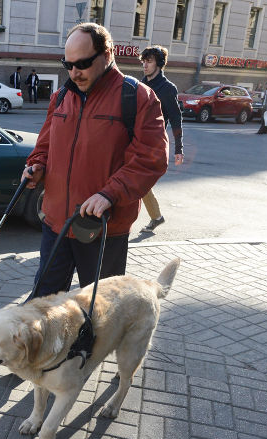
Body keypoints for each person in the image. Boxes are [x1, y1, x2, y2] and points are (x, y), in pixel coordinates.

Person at [21, 22, 168, 297]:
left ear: (108, 53)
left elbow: (152, 158)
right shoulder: (61, 96)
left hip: (104, 229)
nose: (75, 73)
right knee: (43, 305)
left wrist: (110, 193)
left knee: (100, 311)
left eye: (84, 64)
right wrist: (37, 166)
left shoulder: (138, 97)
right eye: (68, 65)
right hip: (57, 224)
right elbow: (44, 146)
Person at [139, 45, 184, 233]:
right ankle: (156, 217)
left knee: (137, 178)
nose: (145, 65)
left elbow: (176, 118)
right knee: (137, 179)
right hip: (137, 138)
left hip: (153, 142)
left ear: (159, 64)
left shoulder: (167, 88)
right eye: (144, 61)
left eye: (149, 61)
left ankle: (155, 217)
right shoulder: (141, 84)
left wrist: (179, 149)